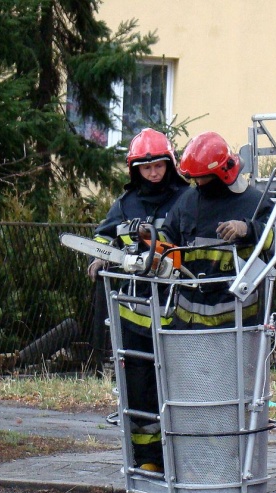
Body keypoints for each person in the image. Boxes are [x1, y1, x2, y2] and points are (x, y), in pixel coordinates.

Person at [88, 128, 190, 472]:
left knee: (177, 385)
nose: (153, 173)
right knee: (139, 386)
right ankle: (147, 461)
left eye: (159, 166)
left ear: (169, 165)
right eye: (146, 168)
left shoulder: (186, 198)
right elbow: (105, 236)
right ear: (135, 170)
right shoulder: (125, 204)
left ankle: (182, 459)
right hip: (134, 312)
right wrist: (101, 255)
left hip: (176, 308)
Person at [160, 131, 276, 329]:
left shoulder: (254, 202)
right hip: (187, 327)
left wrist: (248, 229)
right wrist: (148, 238)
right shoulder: (188, 201)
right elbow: (169, 235)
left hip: (236, 327)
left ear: (221, 173)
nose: (197, 183)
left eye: (201, 178)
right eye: (193, 178)